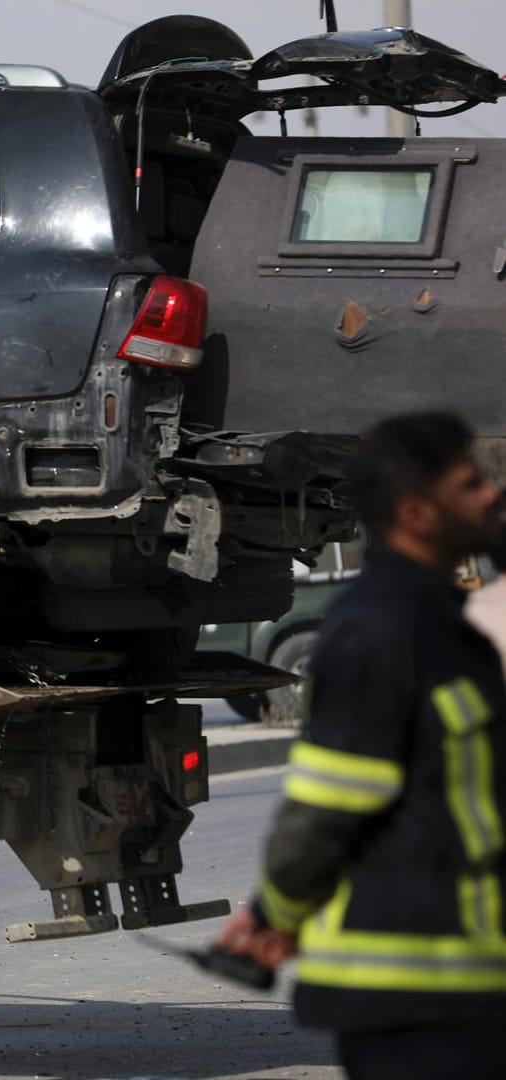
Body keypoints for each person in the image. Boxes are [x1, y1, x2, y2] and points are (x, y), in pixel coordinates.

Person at [214, 411, 506, 1079]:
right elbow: (326, 808)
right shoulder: (378, 629)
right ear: (417, 513)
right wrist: (273, 915)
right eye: (469, 485)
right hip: (409, 999)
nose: (491, 495)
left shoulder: (445, 626)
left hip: (468, 987)